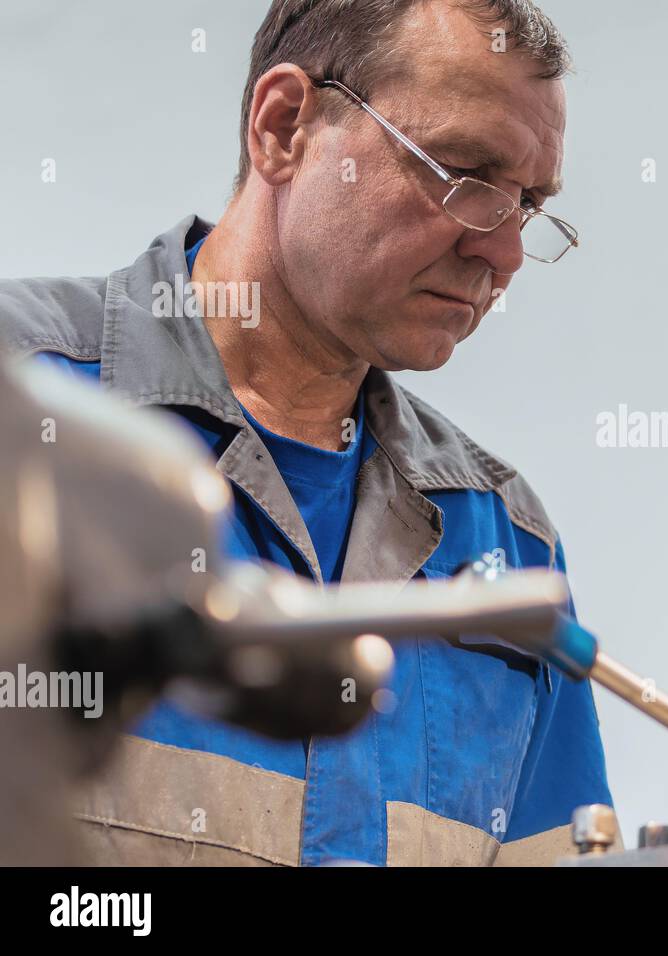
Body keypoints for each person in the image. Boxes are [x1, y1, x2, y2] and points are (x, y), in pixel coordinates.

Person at [0, 0, 614, 866]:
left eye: (529, 204)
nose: (504, 253)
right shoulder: (23, 413)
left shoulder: (504, 541)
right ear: (284, 126)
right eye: (466, 174)